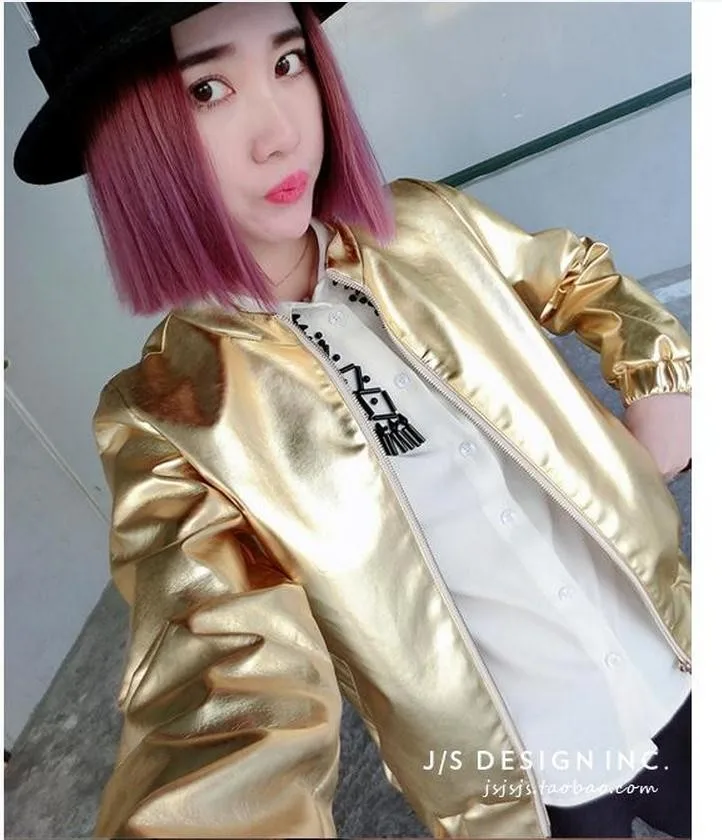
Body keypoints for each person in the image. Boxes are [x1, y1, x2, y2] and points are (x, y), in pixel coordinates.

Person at [13, 3, 692, 838]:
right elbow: (221, 676)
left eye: (288, 63)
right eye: (208, 90)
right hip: (527, 779)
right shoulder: (169, 418)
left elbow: (577, 275)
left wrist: (661, 376)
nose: (280, 134)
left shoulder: (426, 226)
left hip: (669, 650)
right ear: (127, 139)